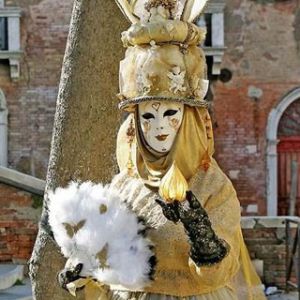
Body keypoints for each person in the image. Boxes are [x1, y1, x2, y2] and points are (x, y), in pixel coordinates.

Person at [55, 0, 267, 299]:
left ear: (190, 120)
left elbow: (223, 270)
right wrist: (82, 268)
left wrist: (201, 234)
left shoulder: (212, 187)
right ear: (135, 124)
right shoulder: (123, 187)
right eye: (148, 117)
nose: (159, 128)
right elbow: (105, 266)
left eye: (170, 114)